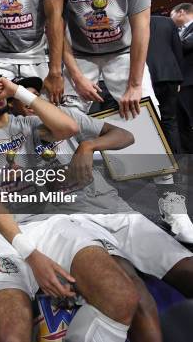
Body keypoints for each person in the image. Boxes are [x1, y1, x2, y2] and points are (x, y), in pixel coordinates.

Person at [0, 66, 141, 342]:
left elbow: (69, 127)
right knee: (12, 334)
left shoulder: (28, 124)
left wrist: (18, 91)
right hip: (4, 234)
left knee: (122, 296)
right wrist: (31, 254)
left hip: (49, 221)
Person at [10, 75, 193, 340]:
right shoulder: (9, 137)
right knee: (137, 297)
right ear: (13, 106)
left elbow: (125, 135)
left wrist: (89, 145)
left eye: (36, 98)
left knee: (188, 271)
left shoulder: (69, 118)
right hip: (76, 225)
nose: (32, 104)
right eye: (23, 99)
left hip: (117, 212)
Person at [60, 0, 193, 242]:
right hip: (82, 55)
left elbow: (142, 23)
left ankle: (173, 207)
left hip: (122, 52)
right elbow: (57, 33)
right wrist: (74, 74)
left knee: (146, 121)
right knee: (63, 125)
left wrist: (135, 83)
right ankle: (71, 202)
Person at [147, 15, 184, 154]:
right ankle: (177, 162)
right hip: (170, 76)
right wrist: (179, 78)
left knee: (149, 122)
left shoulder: (131, 20)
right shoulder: (167, 21)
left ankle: (157, 165)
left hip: (145, 76)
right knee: (170, 121)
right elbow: (177, 50)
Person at [170, 3, 193, 153]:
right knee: (182, 123)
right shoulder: (181, 31)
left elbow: (185, 45)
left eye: (171, 15)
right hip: (182, 83)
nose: (169, 19)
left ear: (181, 12)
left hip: (191, 82)